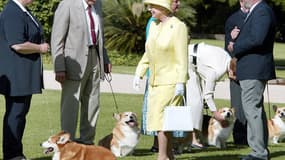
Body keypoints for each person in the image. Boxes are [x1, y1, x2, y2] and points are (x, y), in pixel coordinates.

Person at [51, 0, 111, 145]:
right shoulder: (67, 5)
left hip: (95, 58)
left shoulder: (97, 4)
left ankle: (87, 141)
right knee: (70, 106)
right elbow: (57, 38)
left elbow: (99, 35)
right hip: (73, 63)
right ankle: (67, 142)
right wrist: (59, 67)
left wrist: (105, 59)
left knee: (93, 102)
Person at [133, 0, 188, 159]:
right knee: (161, 121)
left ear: (163, 6)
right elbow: (148, 52)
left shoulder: (178, 27)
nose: (149, 9)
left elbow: (181, 57)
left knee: (161, 123)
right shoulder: (154, 25)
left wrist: (180, 82)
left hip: (171, 82)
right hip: (155, 82)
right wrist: (139, 72)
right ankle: (169, 156)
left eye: (153, 6)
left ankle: (162, 156)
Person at [0, 0, 49, 159]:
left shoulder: (22, 10)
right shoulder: (12, 11)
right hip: (16, 75)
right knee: (15, 115)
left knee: (19, 114)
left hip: (23, 74)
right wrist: (40, 48)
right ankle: (12, 155)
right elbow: (17, 44)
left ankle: (16, 153)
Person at [227, 0, 276, 159]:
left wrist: (235, 46)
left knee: (252, 111)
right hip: (251, 68)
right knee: (256, 110)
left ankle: (258, 152)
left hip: (254, 69)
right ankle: (260, 150)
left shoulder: (261, 11)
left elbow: (257, 38)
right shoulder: (257, 11)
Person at [141, 0, 181, 153]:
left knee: (167, 115)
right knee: (160, 115)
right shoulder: (155, 22)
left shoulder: (175, 23)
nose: (178, 5)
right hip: (160, 76)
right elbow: (152, 50)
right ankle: (161, 149)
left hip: (170, 75)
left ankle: (167, 149)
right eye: (175, 1)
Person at [186, 42, 231, 149]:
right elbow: (208, 95)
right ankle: (192, 139)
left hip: (194, 57)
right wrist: (216, 114)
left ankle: (193, 138)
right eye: (234, 76)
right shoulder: (218, 70)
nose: (232, 78)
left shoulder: (228, 58)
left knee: (197, 102)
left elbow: (207, 75)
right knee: (195, 102)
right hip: (189, 59)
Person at [224, 0, 249, 145]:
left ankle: (253, 136)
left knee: (251, 103)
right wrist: (232, 38)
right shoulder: (233, 19)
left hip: (252, 66)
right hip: (236, 67)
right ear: (241, 1)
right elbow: (227, 48)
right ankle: (239, 138)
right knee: (237, 104)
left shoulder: (256, 16)